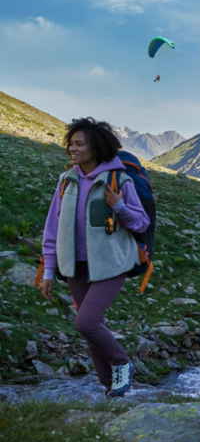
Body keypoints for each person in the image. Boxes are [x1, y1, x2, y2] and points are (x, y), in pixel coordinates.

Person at [40, 117, 150, 398]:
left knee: (85, 322)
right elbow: (51, 230)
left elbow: (141, 224)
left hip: (112, 264)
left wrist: (121, 207)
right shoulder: (66, 182)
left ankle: (123, 363)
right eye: (71, 143)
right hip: (75, 267)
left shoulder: (119, 180)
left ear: (96, 147)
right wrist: (49, 272)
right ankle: (113, 392)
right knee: (92, 329)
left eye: (79, 144)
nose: (72, 149)